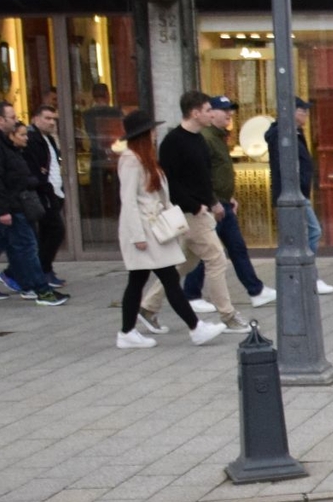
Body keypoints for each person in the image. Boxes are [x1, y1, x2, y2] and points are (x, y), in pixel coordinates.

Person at [113, 108, 227, 348]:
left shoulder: (145, 158)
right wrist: (137, 236)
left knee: (139, 281)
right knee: (168, 279)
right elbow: (129, 200)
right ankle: (195, 327)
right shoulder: (131, 159)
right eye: (151, 130)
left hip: (154, 228)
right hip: (144, 230)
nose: (155, 133)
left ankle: (127, 331)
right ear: (143, 134)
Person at [0, 102, 66, 308]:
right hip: (6, 205)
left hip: (8, 202)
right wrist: (2, 210)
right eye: (12, 117)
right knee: (27, 246)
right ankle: (41, 290)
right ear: (0, 120)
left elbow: (9, 172)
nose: (16, 120)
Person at [181, 94, 275, 313]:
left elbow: (218, 172)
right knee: (208, 253)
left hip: (222, 202)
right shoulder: (206, 138)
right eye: (224, 110)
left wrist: (228, 196)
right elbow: (202, 175)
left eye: (230, 110)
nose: (229, 115)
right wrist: (212, 201)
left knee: (235, 248)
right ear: (209, 113)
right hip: (213, 205)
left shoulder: (217, 137)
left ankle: (255, 290)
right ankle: (191, 295)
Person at [156, 93, 242, 330]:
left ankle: (148, 306)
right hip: (188, 212)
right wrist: (198, 205)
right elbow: (170, 183)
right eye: (206, 110)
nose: (210, 113)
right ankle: (228, 315)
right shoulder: (173, 142)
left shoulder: (199, 140)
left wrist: (215, 201)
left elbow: (204, 178)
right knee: (216, 259)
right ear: (195, 113)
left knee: (184, 263)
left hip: (200, 209)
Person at [267, 98, 333, 294]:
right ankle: (307, 275)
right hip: (291, 194)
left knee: (305, 233)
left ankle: (306, 275)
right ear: (291, 112)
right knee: (311, 231)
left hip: (298, 193)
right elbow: (284, 165)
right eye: (302, 111)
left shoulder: (295, 133)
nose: (306, 115)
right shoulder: (282, 133)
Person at [21, 103, 68, 287]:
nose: (51, 123)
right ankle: (41, 270)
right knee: (55, 230)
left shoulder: (48, 139)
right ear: (35, 119)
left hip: (53, 191)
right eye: (47, 118)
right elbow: (35, 169)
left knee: (48, 233)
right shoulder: (33, 139)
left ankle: (43, 269)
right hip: (44, 192)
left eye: (53, 119)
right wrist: (44, 187)